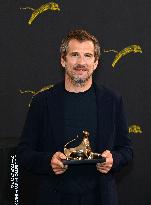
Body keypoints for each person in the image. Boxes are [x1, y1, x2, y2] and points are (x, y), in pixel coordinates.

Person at [17, 29, 133, 205]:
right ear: (63, 60)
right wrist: (48, 161)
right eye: (74, 55)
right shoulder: (42, 101)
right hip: (55, 197)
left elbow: (126, 150)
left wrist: (113, 159)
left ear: (95, 63)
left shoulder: (112, 100)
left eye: (87, 55)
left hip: (101, 197)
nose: (81, 62)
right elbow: (24, 153)